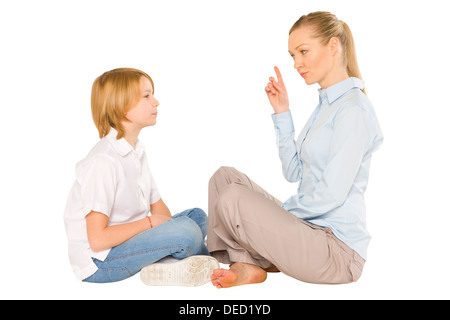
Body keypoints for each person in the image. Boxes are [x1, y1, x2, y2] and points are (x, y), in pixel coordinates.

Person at [207, 11, 383, 287]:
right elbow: (293, 173)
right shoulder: (326, 105)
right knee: (224, 178)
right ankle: (245, 263)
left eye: (303, 51)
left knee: (232, 199)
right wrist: (282, 112)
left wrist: (281, 214)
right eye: (292, 56)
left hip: (335, 252)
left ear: (333, 46)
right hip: (308, 230)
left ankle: (252, 259)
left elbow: (331, 195)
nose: (296, 63)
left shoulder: (352, 110)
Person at [64, 68, 218, 285]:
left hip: (129, 241)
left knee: (197, 216)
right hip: (100, 261)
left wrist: (160, 224)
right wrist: (151, 224)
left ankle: (172, 262)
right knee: (187, 231)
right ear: (123, 107)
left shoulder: (136, 151)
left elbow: (159, 208)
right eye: (147, 96)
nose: (156, 102)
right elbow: (98, 240)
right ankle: (207, 261)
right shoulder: (103, 161)